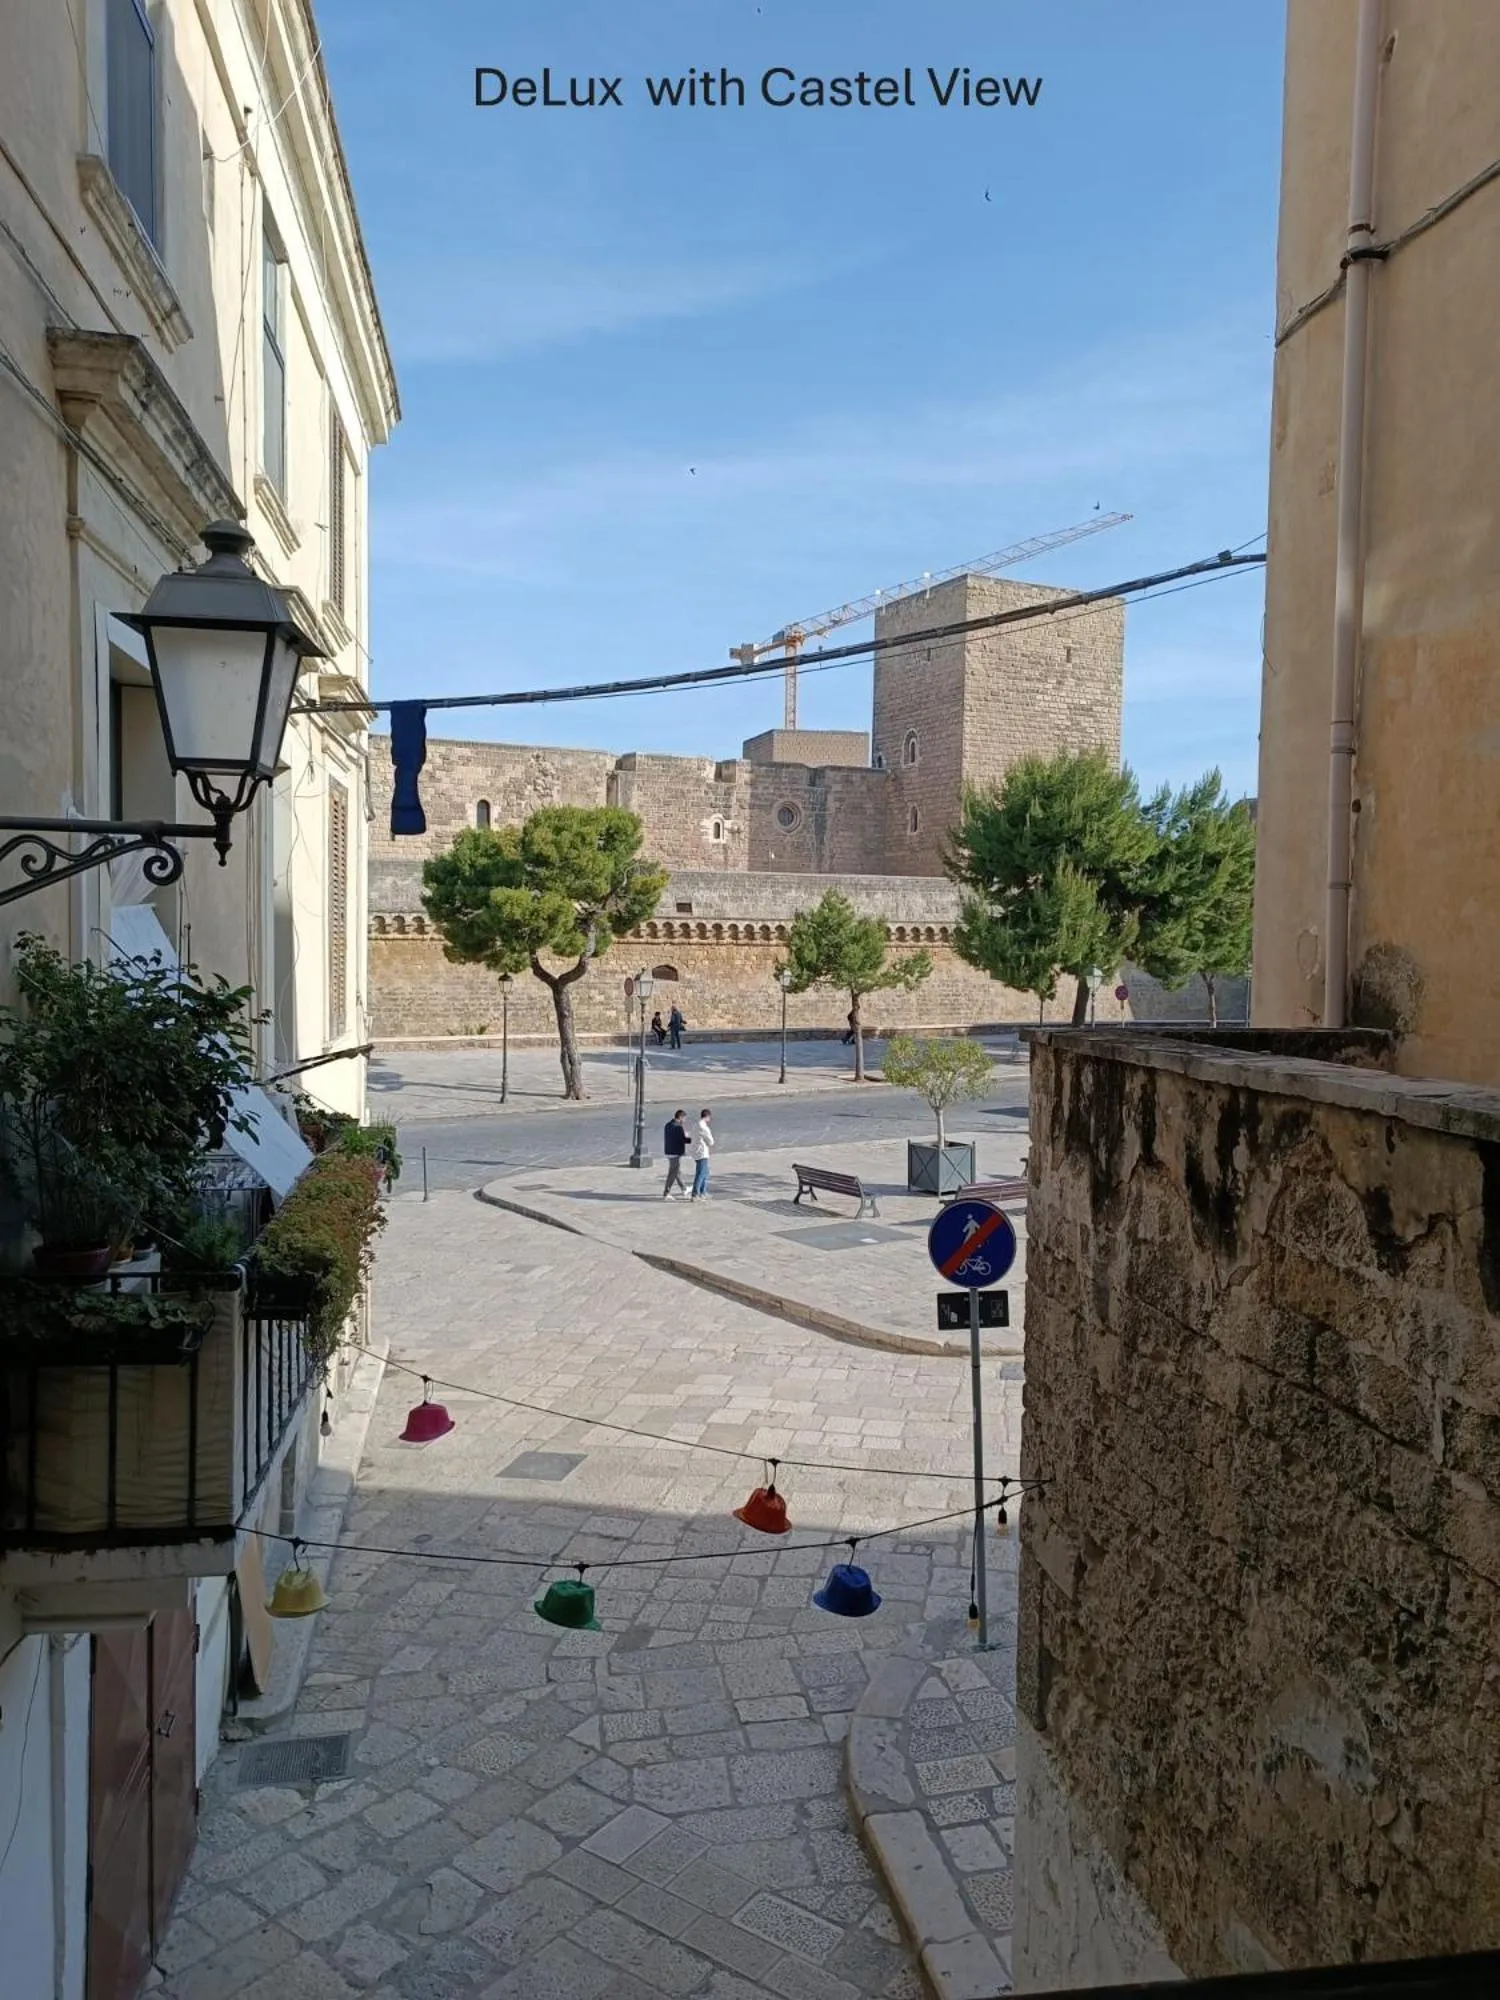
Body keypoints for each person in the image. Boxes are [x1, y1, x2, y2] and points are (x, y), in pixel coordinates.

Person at [662, 1108, 689, 1198]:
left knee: (677, 1172)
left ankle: (684, 1188)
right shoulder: (678, 1127)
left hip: (668, 1151)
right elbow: (684, 1140)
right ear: (681, 1117)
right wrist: (691, 1138)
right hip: (675, 1153)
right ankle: (666, 1192)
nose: (685, 1121)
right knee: (673, 1173)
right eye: (684, 1119)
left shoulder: (668, 1125)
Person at [690, 1107, 714, 1200]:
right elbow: (711, 1141)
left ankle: (703, 1192)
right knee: (701, 1173)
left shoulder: (696, 1124)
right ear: (707, 1116)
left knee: (704, 1172)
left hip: (696, 1151)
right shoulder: (703, 1127)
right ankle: (695, 1194)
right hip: (701, 1152)